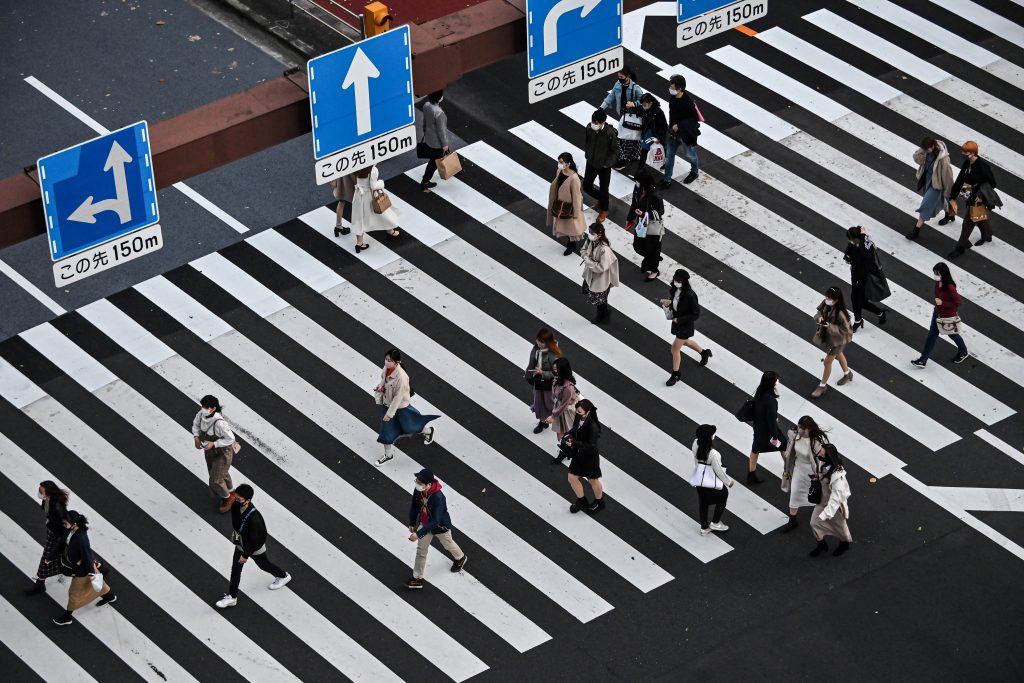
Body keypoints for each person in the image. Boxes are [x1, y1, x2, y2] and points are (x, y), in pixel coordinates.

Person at [215, 485, 292, 608]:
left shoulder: (255, 518)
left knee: (263, 564)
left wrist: (245, 555)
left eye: (239, 499)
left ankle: (283, 576)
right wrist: (237, 539)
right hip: (241, 543)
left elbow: (258, 539)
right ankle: (232, 597)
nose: (236, 500)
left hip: (253, 547)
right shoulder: (236, 505)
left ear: (248, 500)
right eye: (236, 497)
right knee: (236, 570)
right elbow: (237, 523)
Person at [374, 349, 439, 466]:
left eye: (389, 360)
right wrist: (380, 388)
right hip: (387, 404)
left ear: (396, 362)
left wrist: (389, 414)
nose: (386, 362)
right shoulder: (386, 369)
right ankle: (388, 455)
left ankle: (429, 431)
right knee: (386, 431)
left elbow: (398, 398)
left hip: (401, 408)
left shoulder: (402, 378)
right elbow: (383, 381)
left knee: (411, 426)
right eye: (386, 359)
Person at [406, 468, 467, 589]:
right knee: (421, 551)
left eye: (420, 483)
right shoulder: (419, 491)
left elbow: (436, 521)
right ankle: (417, 578)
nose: (417, 484)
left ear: (428, 484)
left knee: (448, 544)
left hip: (440, 526)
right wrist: (412, 522)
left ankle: (460, 558)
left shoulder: (439, 497)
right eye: (417, 481)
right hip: (425, 523)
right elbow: (414, 505)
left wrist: (418, 534)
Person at [52, 511, 114, 626]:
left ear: (74, 524)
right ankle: (109, 596)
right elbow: (62, 543)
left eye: (65, 523)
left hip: (83, 571)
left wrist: (90, 573)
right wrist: (50, 557)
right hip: (81, 567)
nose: (63, 525)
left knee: (74, 593)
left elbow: (86, 556)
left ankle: (67, 616)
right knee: (97, 585)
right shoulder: (70, 530)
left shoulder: (81, 538)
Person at [948, 140, 1000, 258]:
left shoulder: (982, 166)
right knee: (979, 216)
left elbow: (992, 183)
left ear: (973, 153)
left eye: (965, 152)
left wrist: (978, 193)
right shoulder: (967, 163)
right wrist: (952, 195)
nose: (963, 154)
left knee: (967, 223)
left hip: (978, 197)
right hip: (968, 193)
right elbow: (960, 179)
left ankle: (960, 248)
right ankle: (987, 234)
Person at [659, 269, 712, 386]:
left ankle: (675, 374)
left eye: (678, 280)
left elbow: (696, 313)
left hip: (685, 325)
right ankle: (704, 353)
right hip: (678, 323)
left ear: (684, 281)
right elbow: (677, 302)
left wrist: (680, 319)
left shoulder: (690, 295)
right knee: (686, 342)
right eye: (675, 279)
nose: (676, 282)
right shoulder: (675, 290)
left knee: (674, 349)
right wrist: (669, 302)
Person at [911, 262, 969, 367]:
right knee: (931, 336)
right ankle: (923, 360)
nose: (935, 276)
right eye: (935, 273)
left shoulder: (950, 287)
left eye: (937, 273)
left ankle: (963, 351)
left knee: (953, 334)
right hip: (937, 312)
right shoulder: (938, 282)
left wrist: (943, 303)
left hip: (947, 316)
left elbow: (958, 302)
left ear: (943, 274)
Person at [780, 416, 828, 533]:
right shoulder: (795, 435)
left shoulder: (816, 442)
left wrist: (820, 474)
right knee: (795, 494)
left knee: (816, 494)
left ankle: (824, 515)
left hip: (811, 473)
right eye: (799, 426)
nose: (799, 429)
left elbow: (822, 460)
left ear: (809, 429)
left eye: (802, 428)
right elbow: (790, 448)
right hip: (798, 469)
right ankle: (792, 521)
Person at [192, 395, 239, 513]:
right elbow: (196, 425)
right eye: (202, 406)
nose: (203, 408)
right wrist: (196, 438)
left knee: (215, 479)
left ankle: (228, 497)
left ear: (213, 408)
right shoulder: (201, 414)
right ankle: (231, 490)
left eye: (206, 407)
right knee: (218, 471)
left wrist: (214, 444)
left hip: (222, 451)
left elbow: (230, 438)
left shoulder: (220, 424)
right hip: (208, 448)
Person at [24, 480, 68, 596]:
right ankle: (97, 566)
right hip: (53, 533)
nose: (39, 492)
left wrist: (61, 542)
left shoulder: (57, 508)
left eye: (41, 490)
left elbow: (63, 526)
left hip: (57, 537)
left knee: (47, 559)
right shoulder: (46, 500)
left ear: (48, 492)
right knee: (72, 557)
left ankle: (39, 585)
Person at [561, 399, 605, 514]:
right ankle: (582, 500)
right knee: (572, 478)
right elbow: (575, 430)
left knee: (593, 480)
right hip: (579, 454)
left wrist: (574, 444)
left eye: (579, 412)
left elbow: (592, 446)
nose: (577, 413)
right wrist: (569, 435)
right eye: (576, 411)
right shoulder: (579, 417)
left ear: (588, 412)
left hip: (590, 457)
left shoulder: (593, 427)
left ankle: (600, 502)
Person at [809, 443, 852, 557]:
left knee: (840, 527)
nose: (819, 455)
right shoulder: (823, 464)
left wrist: (826, 514)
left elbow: (836, 498)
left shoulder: (837, 475)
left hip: (835, 508)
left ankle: (844, 543)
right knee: (814, 523)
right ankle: (821, 544)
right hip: (822, 502)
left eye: (822, 453)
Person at [690, 424, 734, 536]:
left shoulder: (695, 443)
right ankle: (715, 522)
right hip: (711, 483)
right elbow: (719, 471)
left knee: (703, 503)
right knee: (723, 497)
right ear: (710, 438)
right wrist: (728, 482)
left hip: (700, 481)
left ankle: (704, 527)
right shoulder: (713, 454)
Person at [907, 136, 955, 240]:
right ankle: (949, 214)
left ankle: (916, 230)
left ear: (932, 146)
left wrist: (948, 191)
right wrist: (921, 153)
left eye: (927, 149)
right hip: (928, 179)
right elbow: (917, 160)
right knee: (940, 200)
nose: (926, 151)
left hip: (937, 185)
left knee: (926, 204)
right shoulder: (926, 150)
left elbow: (947, 175)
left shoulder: (943, 158)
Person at [811, 286, 854, 398]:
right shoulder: (826, 304)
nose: (827, 299)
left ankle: (822, 386)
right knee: (839, 355)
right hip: (831, 338)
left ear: (837, 300)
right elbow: (819, 312)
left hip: (838, 341)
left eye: (830, 298)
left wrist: (829, 326)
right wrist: (819, 318)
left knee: (827, 362)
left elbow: (846, 330)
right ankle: (847, 373)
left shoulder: (841, 314)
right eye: (827, 297)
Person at [599, 65, 644, 169]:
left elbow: (642, 100)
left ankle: (624, 160)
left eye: (621, 77)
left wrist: (633, 104)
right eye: (618, 76)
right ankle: (634, 155)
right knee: (631, 136)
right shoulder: (618, 85)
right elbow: (610, 97)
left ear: (628, 76)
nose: (619, 79)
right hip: (623, 115)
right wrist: (601, 108)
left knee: (626, 137)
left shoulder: (635, 88)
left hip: (632, 115)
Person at [844, 226, 888, 332]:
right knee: (855, 299)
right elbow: (848, 252)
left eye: (850, 239)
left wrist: (862, 237)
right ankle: (858, 320)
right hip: (858, 276)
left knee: (861, 301)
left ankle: (879, 312)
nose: (849, 241)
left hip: (864, 279)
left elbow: (859, 256)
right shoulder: (862, 241)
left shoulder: (862, 248)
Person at [661, 74, 700, 188]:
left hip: (685, 135)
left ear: (680, 89)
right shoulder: (673, 98)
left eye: (673, 88)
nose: (670, 90)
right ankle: (667, 179)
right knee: (669, 156)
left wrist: (680, 126)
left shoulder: (688, 103)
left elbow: (694, 119)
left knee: (691, 154)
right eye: (671, 87)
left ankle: (694, 171)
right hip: (673, 134)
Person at [351, 165, 401, 254]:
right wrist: (381, 183)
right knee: (384, 212)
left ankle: (359, 243)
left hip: (359, 195)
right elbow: (373, 186)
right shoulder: (372, 169)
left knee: (359, 219)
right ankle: (390, 231)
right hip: (370, 196)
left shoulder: (357, 166)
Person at [748, 370, 787, 485]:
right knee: (783, 445)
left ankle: (751, 474)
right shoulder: (771, 401)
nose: (778, 381)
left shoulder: (759, 393)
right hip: (769, 431)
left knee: (755, 450)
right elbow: (771, 421)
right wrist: (775, 436)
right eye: (776, 380)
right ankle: (789, 469)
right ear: (772, 383)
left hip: (758, 428)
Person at [582, 109, 619, 223]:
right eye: (593, 121)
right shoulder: (589, 128)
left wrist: (607, 163)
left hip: (604, 166)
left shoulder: (610, 133)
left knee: (604, 189)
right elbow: (587, 142)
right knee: (586, 186)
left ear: (603, 123)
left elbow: (615, 151)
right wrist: (588, 154)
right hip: (591, 162)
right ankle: (602, 200)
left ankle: (605, 209)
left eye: (596, 122)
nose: (594, 124)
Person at [547, 152, 588, 256]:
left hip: (569, 208)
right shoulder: (559, 171)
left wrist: (576, 213)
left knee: (571, 229)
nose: (559, 164)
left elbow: (577, 197)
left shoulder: (574, 178)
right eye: (559, 162)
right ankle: (570, 244)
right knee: (563, 226)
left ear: (568, 163)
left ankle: (571, 245)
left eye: (561, 162)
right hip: (559, 205)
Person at [628, 170, 665, 280]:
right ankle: (653, 257)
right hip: (642, 223)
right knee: (638, 246)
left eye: (638, 181)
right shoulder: (638, 189)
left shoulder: (655, 195)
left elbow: (660, 211)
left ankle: (654, 270)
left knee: (652, 248)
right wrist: (630, 218)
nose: (636, 183)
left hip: (653, 226)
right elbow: (634, 203)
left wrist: (645, 214)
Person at [580, 223, 620, 325]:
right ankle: (602, 312)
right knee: (600, 299)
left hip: (600, 279)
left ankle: (603, 314)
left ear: (599, 234)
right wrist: (587, 258)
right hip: (591, 275)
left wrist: (588, 261)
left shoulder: (604, 249)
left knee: (599, 299)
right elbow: (583, 250)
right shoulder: (591, 240)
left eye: (592, 232)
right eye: (589, 231)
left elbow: (602, 267)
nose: (589, 234)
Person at [526, 329, 562, 434]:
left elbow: (557, 373)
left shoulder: (553, 355)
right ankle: (543, 422)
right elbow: (531, 363)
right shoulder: (536, 348)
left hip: (549, 384)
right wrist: (528, 376)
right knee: (539, 403)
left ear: (547, 342)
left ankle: (556, 419)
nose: (538, 343)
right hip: (538, 380)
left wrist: (542, 373)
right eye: (538, 340)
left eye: (541, 342)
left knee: (549, 404)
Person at [545, 357, 579, 455]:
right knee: (560, 435)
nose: (554, 370)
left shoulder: (568, 387)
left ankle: (567, 451)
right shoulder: (558, 378)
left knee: (565, 435)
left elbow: (564, 404)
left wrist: (553, 416)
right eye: (554, 368)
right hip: (560, 408)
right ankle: (565, 450)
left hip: (566, 412)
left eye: (556, 369)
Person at [418, 90, 451, 192]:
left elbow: (425, 121)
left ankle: (426, 180)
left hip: (428, 137)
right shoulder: (440, 113)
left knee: (435, 158)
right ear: (439, 98)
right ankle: (425, 181)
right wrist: (445, 144)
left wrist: (424, 131)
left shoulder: (426, 105)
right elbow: (441, 131)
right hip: (437, 143)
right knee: (434, 162)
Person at [637, 93, 668, 171]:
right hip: (649, 133)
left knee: (664, 149)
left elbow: (664, 127)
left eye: (644, 104)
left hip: (658, 134)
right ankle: (640, 169)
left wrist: (659, 138)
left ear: (651, 103)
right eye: (642, 104)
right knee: (644, 150)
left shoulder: (658, 113)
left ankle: (666, 163)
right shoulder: (645, 109)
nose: (643, 106)